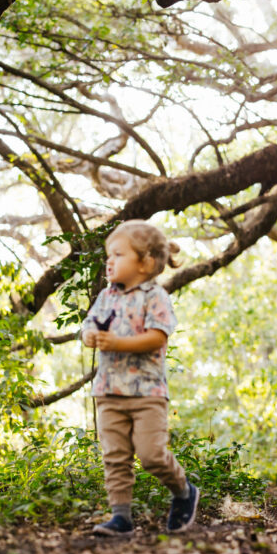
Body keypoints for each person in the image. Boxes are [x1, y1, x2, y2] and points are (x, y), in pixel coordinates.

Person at [82, 220, 199, 536]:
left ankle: (184, 491)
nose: (110, 261)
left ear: (145, 263)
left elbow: (157, 337)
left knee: (151, 455)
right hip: (109, 391)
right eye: (109, 254)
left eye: (118, 254)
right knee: (115, 456)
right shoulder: (107, 296)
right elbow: (88, 325)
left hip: (147, 392)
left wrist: (118, 343)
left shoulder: (154, 295)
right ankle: (120, 516)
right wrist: (90, 336)